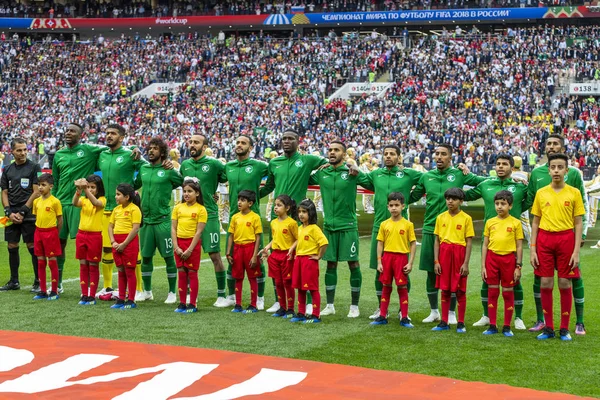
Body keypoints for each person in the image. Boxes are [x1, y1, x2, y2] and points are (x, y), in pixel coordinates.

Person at [52, 123, 139, 292]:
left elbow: (114, 147)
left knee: (86, 242)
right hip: (62, 203)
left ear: (81, 135)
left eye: (73, 131)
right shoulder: (58, 154)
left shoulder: (90, 150)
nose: (69, 133)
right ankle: (59, 283)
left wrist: (134, 147)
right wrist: (54, 200)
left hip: (83, 203)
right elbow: (55, 180)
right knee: (59, 244)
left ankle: (92, 287)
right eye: (67, 130)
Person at [410, 144, 485, 324]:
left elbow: (483, 182)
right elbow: (412, 196)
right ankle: (434, 310)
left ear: (451, 157)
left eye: (443, 154)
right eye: (436, 154)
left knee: (451, 274)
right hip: (430, 229)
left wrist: (466, 189)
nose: (439, 157)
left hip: (453, 233)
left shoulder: (459, 174)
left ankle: (451, 312)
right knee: (430, 271)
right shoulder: (427, 176)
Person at [524, 134, 587, 335]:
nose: (557, 170)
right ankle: (548, 326)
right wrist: (532, 248)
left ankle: (566, 328)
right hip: (544, 239)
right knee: (544, 281)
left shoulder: (574, 190)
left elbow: (578, 220)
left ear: (566, 170)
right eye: (553, 167)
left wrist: (576, 250)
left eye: (560, 167)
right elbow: (535, 220)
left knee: (565, 281)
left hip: (566, 238)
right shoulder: (541, 190)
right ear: (549, 169)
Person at [260, 129, 328, 314]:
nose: (286, 141)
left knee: (299, 260)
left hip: (298, 219)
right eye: (284, 138)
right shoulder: (274, 162)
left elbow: (328, 162)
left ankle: (303, 300)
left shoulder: (307, 160)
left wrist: (317, 173)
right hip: (278, 219)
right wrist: (251, 197)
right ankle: (279, 300)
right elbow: (269, 186)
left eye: (290, 139)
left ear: (298, 141)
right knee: (277, 260)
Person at [464, 154, 527, 330]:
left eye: (504, 164)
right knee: (487, 281)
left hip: (511, 243)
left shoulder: (519, 188)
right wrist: (460, 174)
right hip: (490, 242)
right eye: (498, 164)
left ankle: (518, 317)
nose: (500, 167)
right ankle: (486, 315)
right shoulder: (486, 185)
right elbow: (466, 195)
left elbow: (530, 201)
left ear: (512, 167)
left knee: (515, 282)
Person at [360, 144, 422, 320]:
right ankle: (382, 309)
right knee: (379, 270)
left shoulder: (408, 174)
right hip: (380, 227)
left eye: (392, 154)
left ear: (399, 157)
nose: (388, 156)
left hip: (401, 229)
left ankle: (404, 310)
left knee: (403, 270)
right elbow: (358, 178)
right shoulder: (375, 174)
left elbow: (426, 181)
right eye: (385, 154)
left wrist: (410, 198)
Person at [308, 140, 369, 318]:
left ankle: (354, 306)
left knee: (353, 263)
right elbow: (303, 177)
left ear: (344, 154)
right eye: (330, 150)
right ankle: (330, 305)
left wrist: (358, 170)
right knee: (330, 264)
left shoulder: (351, 172)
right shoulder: (322, 172)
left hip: (348, 226)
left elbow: (370, 184)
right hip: (329, 226)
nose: (332, 152)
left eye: (336, 150)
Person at [96, 124, 147, 300]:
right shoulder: (102, 154)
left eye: (113, 133)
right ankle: (108, 287)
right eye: (107, 133)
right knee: (107, 249)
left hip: (126, 208)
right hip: (107, 208)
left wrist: (134, 187)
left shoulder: (129, 154)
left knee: (131, 249)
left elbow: (146, 167)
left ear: (122, 137)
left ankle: (140, 289)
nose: (109, 136)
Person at [180, 135, 228, 307]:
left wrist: (211, 195)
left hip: (209, 215)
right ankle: (188, 294)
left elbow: (227, 176)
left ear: (205, 146)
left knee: (215, 255)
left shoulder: (214, 164)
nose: (192, 145)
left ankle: (222, 295)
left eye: (196, 142)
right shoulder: (185, 165)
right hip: (187, 216)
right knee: (186, 256)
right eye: (191, 142)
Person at [134, 137, 183, 304]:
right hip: (146, 221)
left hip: (163, 221)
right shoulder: (144, 169)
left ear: (162, 153)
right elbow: (134, 185)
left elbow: (184, 182)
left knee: (169, 257)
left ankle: (171, 292)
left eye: (155, 148)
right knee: (146, 257)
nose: (151, 151)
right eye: (150, 148)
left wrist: (174, 169)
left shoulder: (168, 170)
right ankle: (147, 291)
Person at [223, 135, 270, 309]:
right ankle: (231, 296)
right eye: (237, 142)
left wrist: (257, 197)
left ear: (250, 148)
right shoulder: (228, 166)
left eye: (243, 143)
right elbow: (216, 177)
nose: (239, 145)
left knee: (257, 259)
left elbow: (272, 177)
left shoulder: (259, 166)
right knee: (232, 258)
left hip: (252, 218)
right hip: (234, 218)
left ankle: (260, 297)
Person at [0, 138, 41, 292]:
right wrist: (9, 212)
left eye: (25, 149)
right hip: (12, 214)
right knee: (12, 245)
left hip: (28, 213)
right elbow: (4, 192)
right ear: (12, 151)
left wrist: (23, 210)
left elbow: (37, 191)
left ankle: (38, 281)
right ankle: (14, 281)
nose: (23, 153)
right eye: (19, 150)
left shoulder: (34, 167)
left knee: (32, 246)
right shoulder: (8, 169)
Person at [481, 190, 524, 337]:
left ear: (510, 206)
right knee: (492, 291)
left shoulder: (516, 223)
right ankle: (492, 325)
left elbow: (519, 246)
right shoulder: (490, 222)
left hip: (508, 260)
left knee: (507, 293)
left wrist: (518, 266)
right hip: (492, 260)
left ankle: (507, 326)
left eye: (503, 204)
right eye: (497, 204)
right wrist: (483, 266)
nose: (500, 207)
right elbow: (485, 245)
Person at [432, 188, 474, 333]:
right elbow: (436, 241)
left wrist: (466, 263)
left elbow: (469, 242)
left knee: (460, 290)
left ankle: (461, 323)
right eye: (448, 198)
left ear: (461, 201)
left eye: (454, 199)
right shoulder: (440, 217)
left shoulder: (466, 218)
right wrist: (436, 261)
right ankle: (444, 321)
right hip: (444, 254)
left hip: (459, 254)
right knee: (445, 289)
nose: (450, 201)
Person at [371, 192, 416, 328]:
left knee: (402, 287)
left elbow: (413, 243)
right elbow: (380, 243)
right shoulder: (384, 224)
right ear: (387, 207)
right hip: (387, 258)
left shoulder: (408, 224)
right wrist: (379, 261)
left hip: (401, 258)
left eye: (397, 205)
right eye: (391, 205)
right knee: (386, 286)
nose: (394, 208)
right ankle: (382, 316)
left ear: (403, 206)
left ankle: (404, 317)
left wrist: (410, 262)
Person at [171, 178, 207, 314]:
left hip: (192, 244)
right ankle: (181, 303)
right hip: (179, 244)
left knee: (192, 273)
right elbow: (173, 228)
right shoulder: (177, 208)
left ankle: (192, 303)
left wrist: (189, 249)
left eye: (190, 191)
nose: (186, 194)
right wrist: (176, 247)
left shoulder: (201, 210)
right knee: (181, 273)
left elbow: (199, 231)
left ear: (197, 193)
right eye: (184, 191)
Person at [259, 194, 298, 319]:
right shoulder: (273, 223)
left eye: (279, 205)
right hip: (275, 255)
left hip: (287, 255)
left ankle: (290, 309)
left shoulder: (292, 223)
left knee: (287, 282)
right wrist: (267, 247)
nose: (275, 208)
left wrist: (291, 249)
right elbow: (275, 239)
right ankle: (282, 307)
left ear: (287, 208)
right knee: (278, 282)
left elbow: (298, 239)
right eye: (275, 205)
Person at [290, 198, 328, 324]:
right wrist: (293, 249)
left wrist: (318, 256)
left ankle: (316, 315)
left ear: (310, 213)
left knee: (312, 288)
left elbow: (324, 243)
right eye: (299, 211)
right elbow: (299, 241)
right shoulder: (300, 228)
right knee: (300, 288)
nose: (301, 214)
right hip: (299, 260)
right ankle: (301, 312)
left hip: (309, 261)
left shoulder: (314, 228)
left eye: (304, 212)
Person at [226, 190, 262, 314]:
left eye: (243, 200)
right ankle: (238, 304)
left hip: (250, 248)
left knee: (252, 277)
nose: (239, 202)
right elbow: (231, 235)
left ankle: (253, 304)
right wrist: (228, 252)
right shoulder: (235, 217)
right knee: (238, 277)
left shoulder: (255, 217)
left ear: (250, 203)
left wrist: (254, 255)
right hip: (237, 249)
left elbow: (258, 237)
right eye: (239, 200)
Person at [72, 175, 106, 305]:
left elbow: (96, 203)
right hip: (81, 235)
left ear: (99, 189)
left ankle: (92, 295)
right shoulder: (84, 199)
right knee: (83, 265)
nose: (90, 190)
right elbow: (74, 202)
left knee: (93, 265)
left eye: (93, 187)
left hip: (94, 236)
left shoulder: (102, 199)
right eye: (89, 187)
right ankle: (84, 294)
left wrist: (85, 189)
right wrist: (78, 190)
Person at [108, 183, 142, 310]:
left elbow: (135, 228)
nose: (115, 197)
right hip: (117, 243)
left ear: (127, 197)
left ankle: (131, 300)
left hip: (129, 242)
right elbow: (110, 226)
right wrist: (113, 242)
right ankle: (121, 298)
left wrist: (124, 244)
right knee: (120, 270)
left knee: (129, 271)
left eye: (118, 194)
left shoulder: (134, 209)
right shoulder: (116, 210)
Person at [31, 173, 63, 301]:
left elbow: (60, 220)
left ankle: (54, 291)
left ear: (51, 186)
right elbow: (37, 216)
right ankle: (43, 290)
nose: (40, 187)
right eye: (39, 185)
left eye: (43, 185)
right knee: (40, 262)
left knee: (52, 262)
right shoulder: (36, 201)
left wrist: (56, 233)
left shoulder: (55, 201)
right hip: (38, 232)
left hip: (51, 233)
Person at [511, 156, 532, 243]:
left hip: (510, 202)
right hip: (522, 202)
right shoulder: (526, 174)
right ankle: (532, 244)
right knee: (526, 225)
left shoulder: (509, 174)